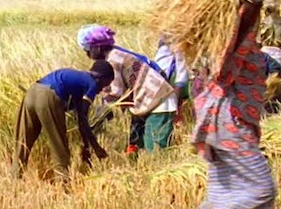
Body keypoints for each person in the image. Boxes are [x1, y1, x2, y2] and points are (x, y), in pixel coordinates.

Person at [186, 0, 277, 209]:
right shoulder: (232, 40)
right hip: (230, 121)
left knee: (225, 185)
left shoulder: (217, 42)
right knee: (261, 190)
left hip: (221, 121)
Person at [77, 25, 174, 155]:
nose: (88, 55)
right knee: (137, 143)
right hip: (147, 101)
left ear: (98, 47)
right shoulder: (116, 53)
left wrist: (98, 117)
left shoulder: (113, 61)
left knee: (155, 149)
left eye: (88, 50)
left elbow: (116, 94)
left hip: (159, 101)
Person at [12, 60, 115, 180]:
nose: (101, 90)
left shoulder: (79, 80)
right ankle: (62, 183)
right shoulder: (91, 83)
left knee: (23, 140)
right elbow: (83, 120)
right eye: (104, 84)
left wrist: (86, 146)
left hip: (32, 92)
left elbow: (81, 120)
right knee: (59, 144)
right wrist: (96, 147)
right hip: (48, 95)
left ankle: (15, 177)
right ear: (100, 78)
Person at [146, 35, 190, 150]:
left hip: (168, 84)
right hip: (163, 83)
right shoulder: (168, 42)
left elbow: (181, 70)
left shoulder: (176, 42)